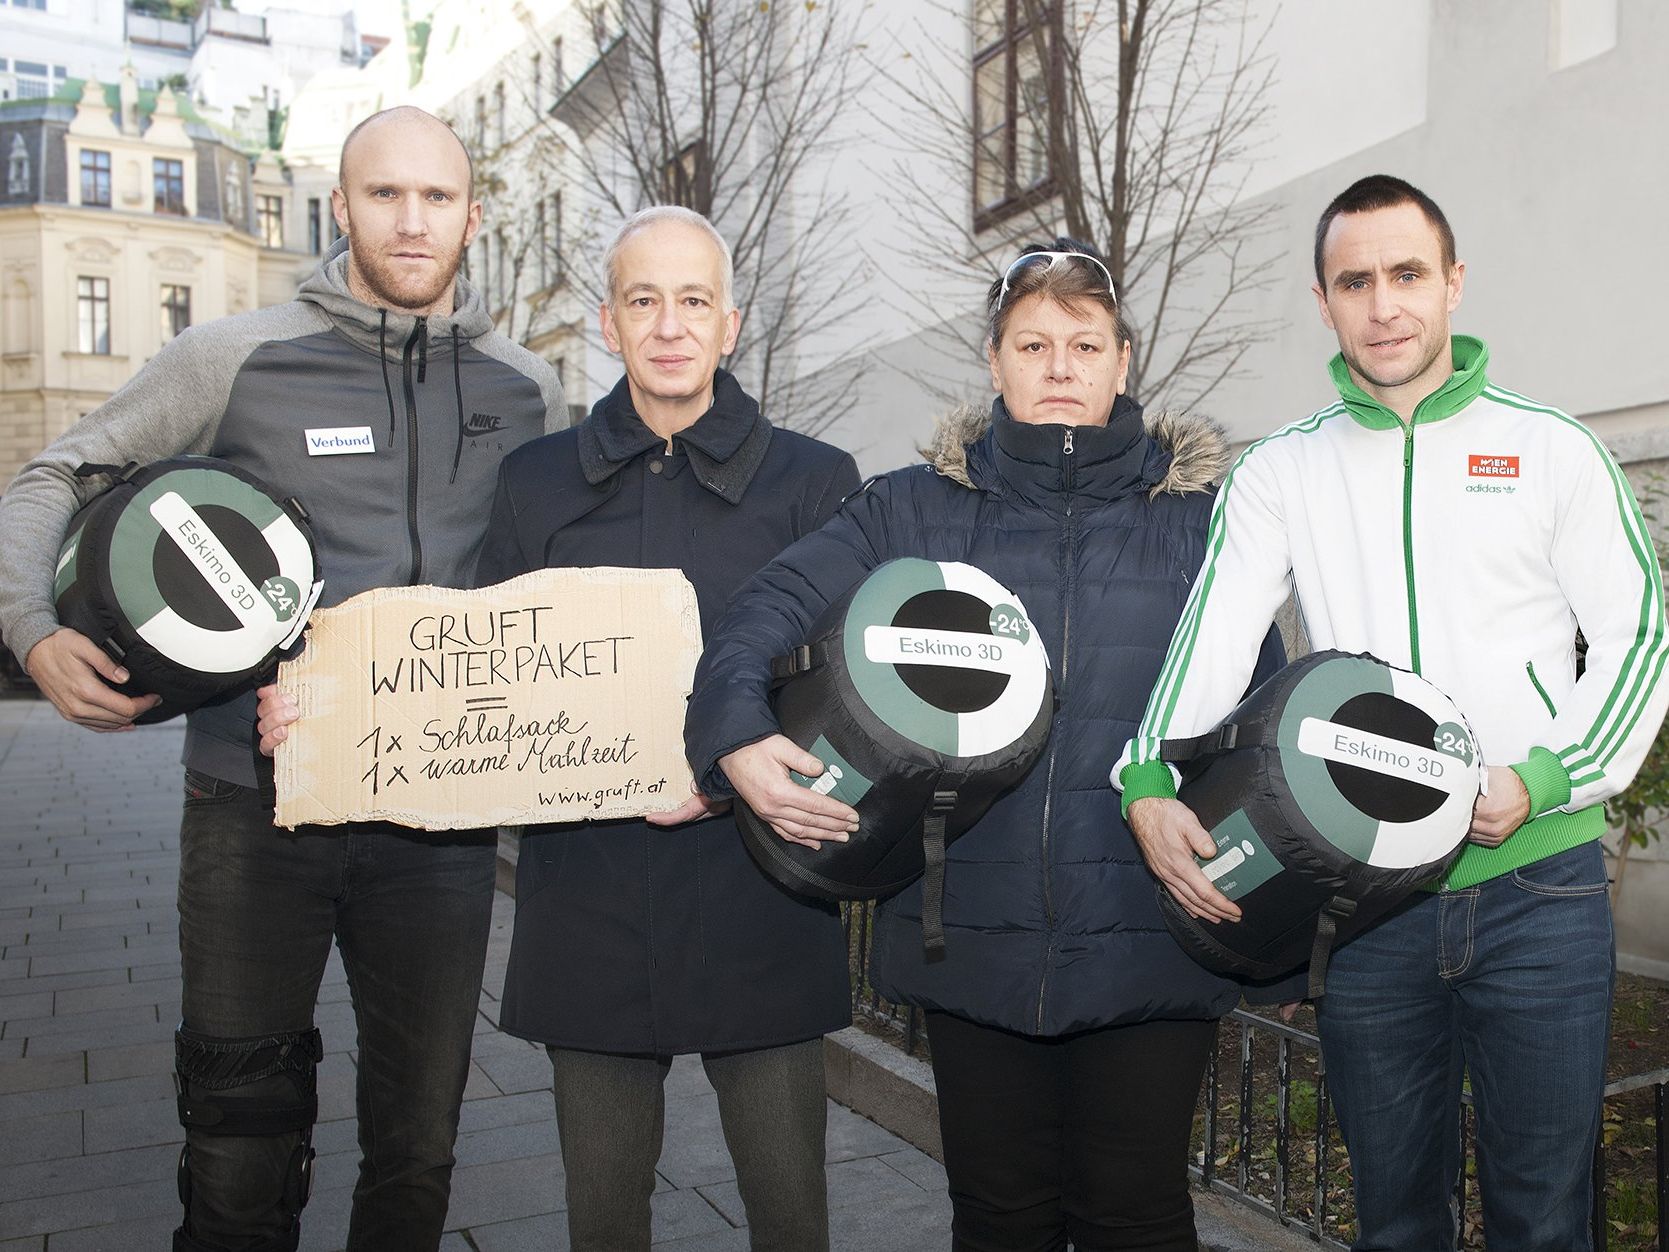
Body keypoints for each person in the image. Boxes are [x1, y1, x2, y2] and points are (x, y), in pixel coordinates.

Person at [0, 107, 562, 1252]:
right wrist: (28, 628)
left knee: (419, 1143)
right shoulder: (237, 355)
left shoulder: (518, 387)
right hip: (252, 812)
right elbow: (56, 472)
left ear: (472, 215)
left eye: (438, 197)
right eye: (385, 195)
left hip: (434, 825)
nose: (412, 221)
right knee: (239, 1126)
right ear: (340, 207)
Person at [689, 240, 1283, 1252]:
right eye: (1033, 343)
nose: (1060, 367)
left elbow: (1257, 729)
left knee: (1134, 1218)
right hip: (970, 931)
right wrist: (733, 727)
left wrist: (1260, 916)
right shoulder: (909, 509)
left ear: (1123, 361)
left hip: (1146, 934)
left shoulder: (1205, 528)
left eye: (1083, 344)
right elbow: (767, 607)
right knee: (999, 1219)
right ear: (996, 361)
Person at [1115, 174, 1669, 1251]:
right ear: (1322, 302)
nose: (1384, 306)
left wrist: (1547, 778)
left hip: (1538, 890)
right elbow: (1211, 641)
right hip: (1363, 900)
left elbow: (1642, 636)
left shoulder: (1554, 448)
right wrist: (1144, 776)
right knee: (1394, 1219)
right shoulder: (1281, 469)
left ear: (1454, 282)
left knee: (1544, 1217)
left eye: (1407, 273)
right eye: (1354, 281)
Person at [469, 205, 860, 1252]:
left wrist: (723, 775)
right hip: (587, 895)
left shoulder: (813, 482)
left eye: (694, 301)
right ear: (609, 321)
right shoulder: (534, 482)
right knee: (602, 1219)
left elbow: (840, 690)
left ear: (730, 325)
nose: (670, 324)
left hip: (759, 892)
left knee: (789, 1216)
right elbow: (485, 674)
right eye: (645, 300)